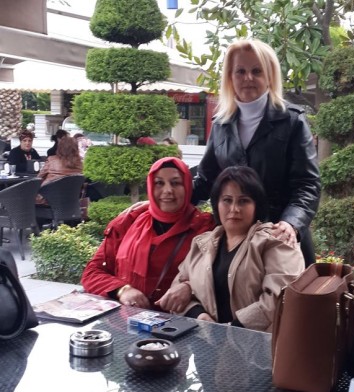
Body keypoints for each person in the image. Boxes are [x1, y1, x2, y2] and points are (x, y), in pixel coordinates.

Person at [192, 39, 321, 266]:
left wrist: (291, 223)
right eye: (240, 71)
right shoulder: (221, 124)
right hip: (234, 244)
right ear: (230, 77)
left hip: (280, 242)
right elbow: (205, 180)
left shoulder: (292, 121)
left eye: (256, 71)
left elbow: (308, 184)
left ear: (270, 76)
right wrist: (165, 199)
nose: (248, 78)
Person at [157, 166, 305, 332]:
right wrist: (200, 316)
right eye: (227, 200)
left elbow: (281, 298)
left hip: (260, 345)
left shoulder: (276, 241)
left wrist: (230, 330)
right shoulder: (202, 244)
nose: (234, 209)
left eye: (243, 201)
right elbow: (178, 291)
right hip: (206, 343)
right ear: (216, 203)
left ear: (257, 205)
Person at [81, 157, 215, 309]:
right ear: (150, 186)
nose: (167, 190)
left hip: (177, 318)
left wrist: (190, 287)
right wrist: (122, 290)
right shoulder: (128, 222)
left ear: (187, 187)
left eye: (175, 183)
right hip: (128, 317)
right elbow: (92, 272)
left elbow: (220, 275)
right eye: (159, 183)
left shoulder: (205, 227)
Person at [36, 136, 83, 204]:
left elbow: (38, 178)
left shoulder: (51, 160)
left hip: (47, 201)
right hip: (71, 203)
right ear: (76, 148)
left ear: (59, 147)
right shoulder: (80, 164)